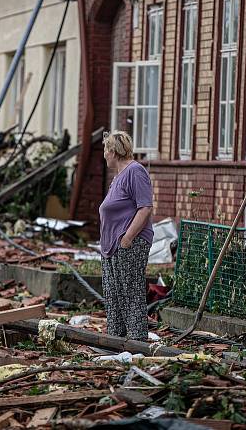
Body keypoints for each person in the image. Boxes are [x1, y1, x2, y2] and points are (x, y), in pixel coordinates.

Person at [98, 130, 153, 340]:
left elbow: (145, 207)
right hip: (111, 246)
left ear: (113, 151)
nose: (104, 154)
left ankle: (137, 341)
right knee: (113, 295)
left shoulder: (135, 172)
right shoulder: (119, 176)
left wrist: (127, 238)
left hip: (129, 243)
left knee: (130, 292)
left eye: (105, 149)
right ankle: (116, 341)